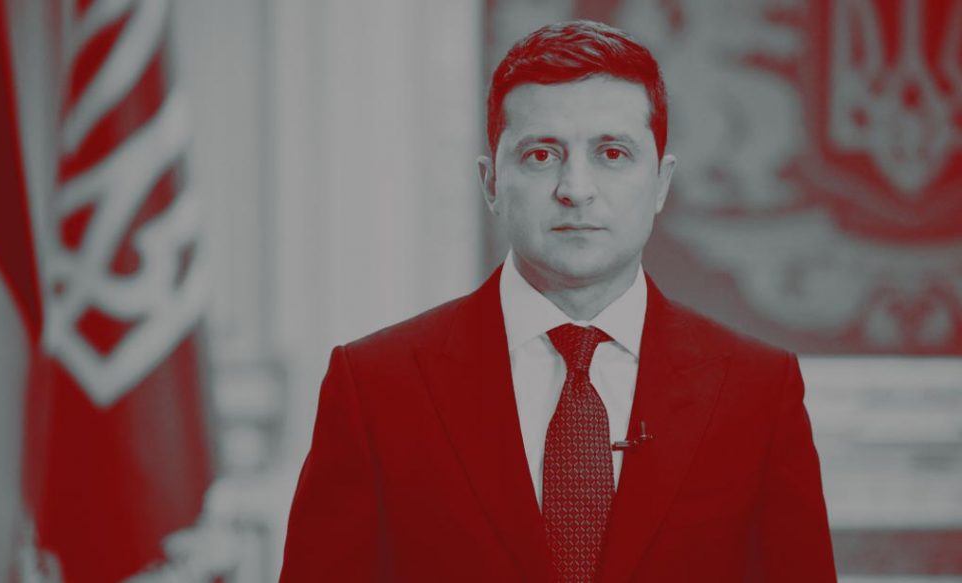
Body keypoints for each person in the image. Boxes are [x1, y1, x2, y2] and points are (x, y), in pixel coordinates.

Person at [280, 20, 836, 582]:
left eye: (612, 153)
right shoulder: (375, 388)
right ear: (491, 183)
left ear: (661, 183)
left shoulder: (757, 393)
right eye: (541, 155)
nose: (575, 188)